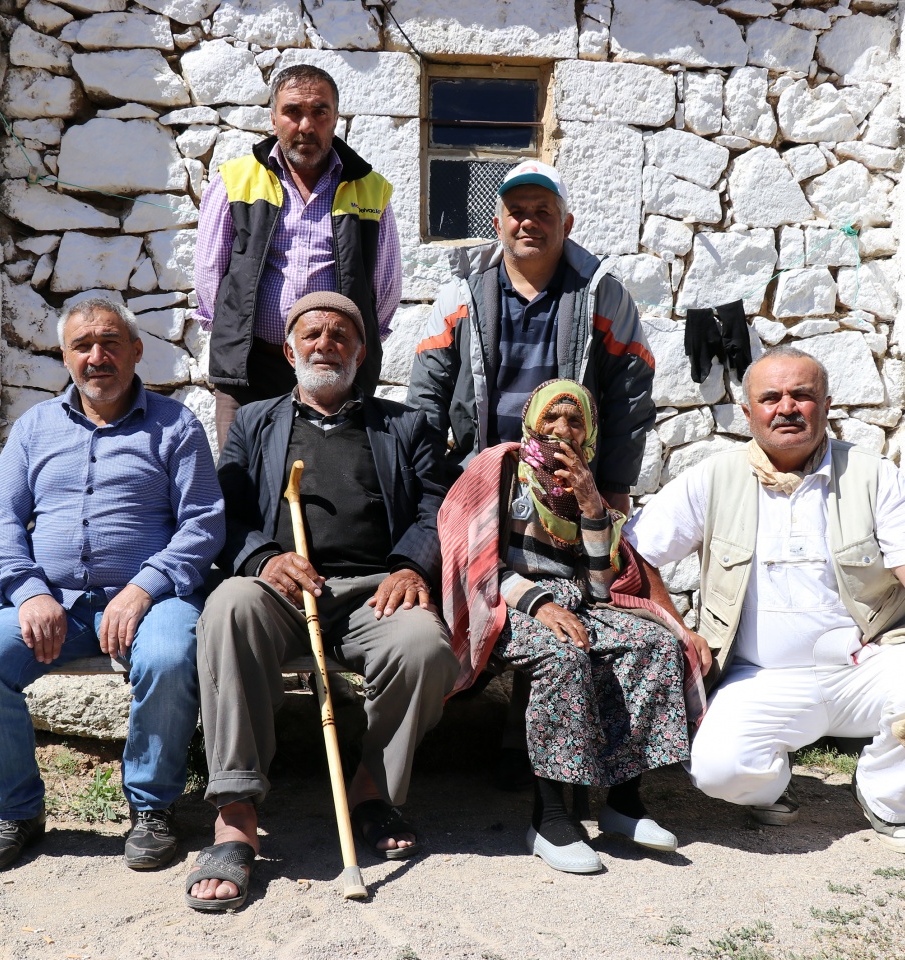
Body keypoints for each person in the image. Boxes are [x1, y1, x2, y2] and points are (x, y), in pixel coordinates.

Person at [624, 346, 905, 855]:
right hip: (762, 675)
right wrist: (680, 630)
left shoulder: (873, 476)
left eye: (802, 395)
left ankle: (885, 799)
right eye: (771, 397)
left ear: (826, 404)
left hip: (865, 665)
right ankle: (771, 788)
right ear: (748, 410)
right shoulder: (714, 478)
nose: (787, 407)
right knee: (717, 770)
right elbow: (635, 553)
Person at [187, 291, 457, 911]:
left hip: (373, 590)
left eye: (341, 336)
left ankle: (370, 791)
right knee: (228, 607)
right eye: (312, 335)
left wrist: (410, 564)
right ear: (289, 350)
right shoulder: (255, 422)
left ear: (362, 353)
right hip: (280, 588)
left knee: (424, 646)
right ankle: (235, 813)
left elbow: (437, 505)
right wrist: (262, 557)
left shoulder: (402, 424)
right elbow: (223, 513)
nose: (325, 344)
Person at [0, 298, 225, 872]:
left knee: (173, 656)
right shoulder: (35, 428)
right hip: (52, 605)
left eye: (110, 343)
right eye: (82, 346)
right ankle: (16, 813)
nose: (97, 357)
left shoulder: (176, 426)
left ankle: (153, 808)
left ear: (136, 351)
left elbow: (204, 522)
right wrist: (28, 592)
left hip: (152, 601)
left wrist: (145, 587)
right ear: (65, 357)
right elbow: (1, 521)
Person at [438, 379, 705, 874]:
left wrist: (591, 507)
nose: (563, 430)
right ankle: (550, 818)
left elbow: (602, 585)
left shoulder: (585, 485)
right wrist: (538, 605)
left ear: (590, 431)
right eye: (552, 418)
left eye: (576, 420)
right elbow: (473, 559)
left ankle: (623, 802)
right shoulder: (499, 470)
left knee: (654, 644)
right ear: (532, 421)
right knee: (563, 654)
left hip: (579, 603)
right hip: (506, 605)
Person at [407, 159, 654, 515]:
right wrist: (425, 484)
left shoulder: (604, 297)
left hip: (570, 490)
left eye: (543, 211)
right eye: (516, 211)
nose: (528, 221)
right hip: (478, 486)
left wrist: (615, 485)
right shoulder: (460, 298)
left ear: (566, 225)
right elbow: (427, 395)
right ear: (497, 224)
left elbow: (629, 397)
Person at [194, 63, 402, 448]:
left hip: (334, 371)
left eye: (319, 112)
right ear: (273, 120)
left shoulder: (371, 189)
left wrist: (354, 346)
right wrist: (236, 337)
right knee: (245, 483)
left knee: (332, 486)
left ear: (335, 118)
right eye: (293, 112)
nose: (306, 125)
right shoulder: (234, 179)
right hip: (250, 371)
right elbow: (209, 275)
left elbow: (385, 289)